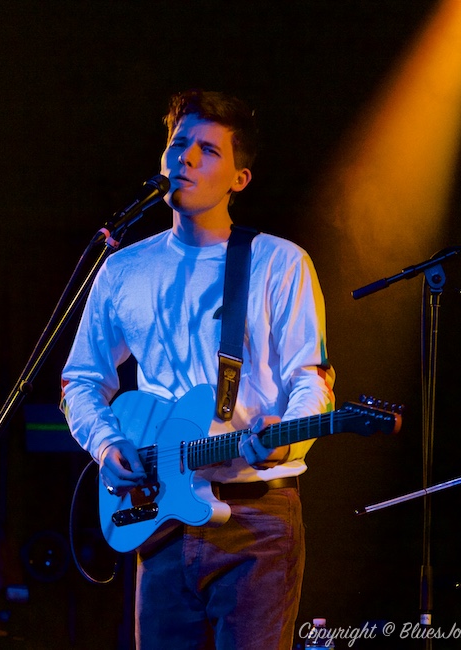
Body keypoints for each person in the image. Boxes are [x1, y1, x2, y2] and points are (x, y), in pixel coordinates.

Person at [61, 90, 335, 649]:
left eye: (208, 150)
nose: (185, 157)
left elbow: (312, 378)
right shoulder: (122, 269)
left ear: (240, 178)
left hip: (255, 517)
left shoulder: (279, 262)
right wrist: (107, 445)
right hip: (160, 517)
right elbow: (81, 379)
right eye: (178, 143)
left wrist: (285, 438)